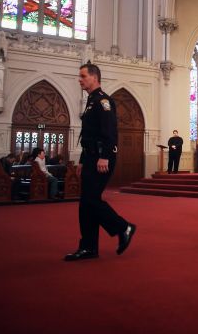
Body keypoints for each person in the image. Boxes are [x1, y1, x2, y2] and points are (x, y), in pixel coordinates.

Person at [64, 63, 136, 261]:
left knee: (90, 200)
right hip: (91, 158)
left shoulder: (104, 101)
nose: (80, 79)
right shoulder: (91, 101)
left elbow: (109, 132)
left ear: (94, 77)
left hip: (102, 158)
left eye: (83, 76)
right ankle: (88, 247)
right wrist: (82, 161)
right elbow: (87, 136)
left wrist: (104, 155)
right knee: (86, 204)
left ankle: (124, 227)